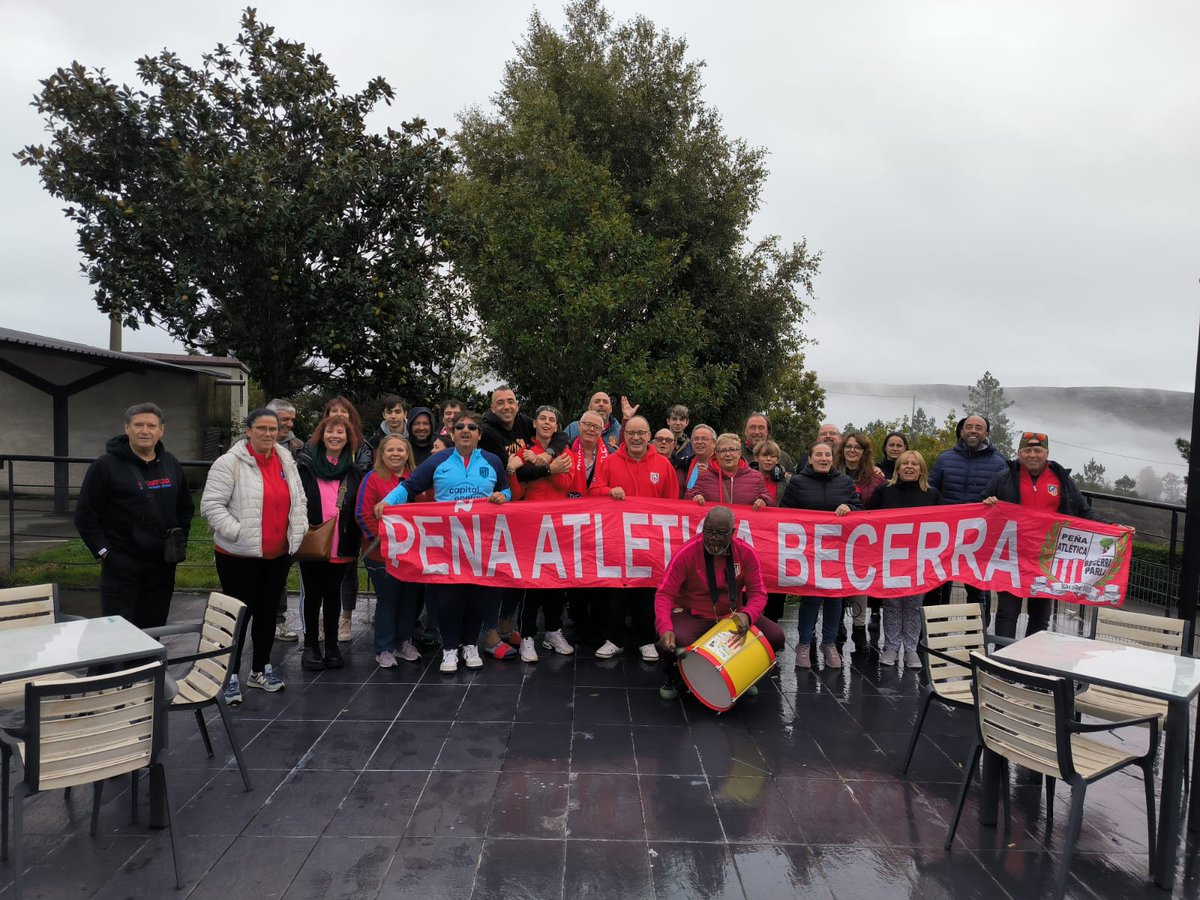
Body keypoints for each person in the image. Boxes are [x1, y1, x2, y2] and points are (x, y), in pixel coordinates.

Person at [376, 410, 511, 673]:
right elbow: (409, 487)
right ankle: (449, 648)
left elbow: (505, 488)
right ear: (451, 433)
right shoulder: (438, 461)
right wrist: (387, 502)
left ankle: (470, 645)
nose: (465, 431)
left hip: (480, 543)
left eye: (472, 427)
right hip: (445, 544)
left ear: (479, 435)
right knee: (447, 596)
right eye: (460, 426)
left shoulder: (492, 461)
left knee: (477, 595)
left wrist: (503, 496)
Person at [201, 408, 308, 705]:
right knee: (238, 616)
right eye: (261, 428)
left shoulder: (286, 461)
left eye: (273, 429)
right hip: (239, 555)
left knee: (266, 615)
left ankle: (260, 670)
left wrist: (297, 530)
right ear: (248, 430)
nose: (268, 434)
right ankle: (230, 675)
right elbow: (211, 505)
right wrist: (238, 532)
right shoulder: (229, 463)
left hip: (277, 554)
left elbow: (299, 499)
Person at [980, 432, 1112, 639]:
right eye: (1027, 450)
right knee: (1007, 613)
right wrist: (987, 502)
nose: (1032, 455)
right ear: (1019, 453)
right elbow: (980, 506)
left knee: (1040, 616)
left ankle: (1032, 659)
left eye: (1037, 450)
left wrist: (1113, 528)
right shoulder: (1003, 478)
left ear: (1047, 453)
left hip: (1047, 560)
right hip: (1010, 558)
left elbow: (1084, 511)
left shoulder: (1062, 480)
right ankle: (1002, 659)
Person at [74, 402, 194, 628]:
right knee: (118, 632)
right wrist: (105, 552)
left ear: (161, 430)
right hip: (121, 567)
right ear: (127, 428)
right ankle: (117, 666)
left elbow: (185, 508)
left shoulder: (171, 463)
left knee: (153, 628)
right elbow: (85, 515)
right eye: (138, 425)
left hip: (162, 565)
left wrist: (179, 541)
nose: (145, 430)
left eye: (151, 425)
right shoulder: (105, 466)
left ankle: (149, 665)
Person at [655, 506, 786, 701]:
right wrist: (664, 628)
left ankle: (744, 676)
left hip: (733, 615)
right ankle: (675, 676)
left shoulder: (746, 552)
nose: (713, 538)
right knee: (676, 639)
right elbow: (664, 594)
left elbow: (758, 593)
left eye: (720, 533)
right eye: (708, 531)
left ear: (732, 532)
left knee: (775, 637)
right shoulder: (687, 552)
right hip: (694, 614)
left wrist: (748, 615)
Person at [589, 415, 678, 662]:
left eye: (641, 433)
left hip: (651, 543)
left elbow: (673, 505)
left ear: (649, 436)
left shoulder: (663, 465)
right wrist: (609, 491)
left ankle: (646, 640)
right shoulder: (610, 462)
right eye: (631, 433)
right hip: (617, 540)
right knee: (616, 592)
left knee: (647, 592)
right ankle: (615, 640)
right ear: (624, 436)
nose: (636, 437)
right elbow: (594, 491)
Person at [780, 442, 862, 670]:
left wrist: (849, 507)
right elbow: (784, 513)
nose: (824, 458)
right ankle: (804, 643)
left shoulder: (845, 482)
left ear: (833, 459)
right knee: (811, 598)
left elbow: (859, 509)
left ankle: (829, 643)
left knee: (835, 597)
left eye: (828, 454)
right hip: (808, 552)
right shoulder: (797, 482)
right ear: (811, 459)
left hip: (836, 551)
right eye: (819, 454)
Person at [296, 415, 364, 671]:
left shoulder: (354, 470)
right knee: (312, 595)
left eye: (341, 432)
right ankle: (311, 644)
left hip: (341, 542)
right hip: (312, 541)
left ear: (348, 438)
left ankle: (332, 644)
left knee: (333, 595)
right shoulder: (305, 466)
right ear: (321, 435)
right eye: (330, 431)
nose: (335, 436)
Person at [509, 405, 576, 662]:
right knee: (531, 585)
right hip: (531, 527)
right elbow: (517, 492)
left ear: (557, 426)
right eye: (543, 419)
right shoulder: (523, 450)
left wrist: (545, 462)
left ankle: (552, 630)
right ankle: (527, 635)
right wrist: (523, 468)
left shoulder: (564, 451)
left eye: (552, 419)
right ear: (535, 423)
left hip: (557, 527)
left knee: (556, 583)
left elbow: (566, 483)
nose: (547, 423)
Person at [866, 451, 942, 666]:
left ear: (921, 469)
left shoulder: (932, 494)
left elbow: (945, 524)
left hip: (919, 560)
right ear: (898, 468)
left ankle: (910, 648)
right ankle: (890, 647)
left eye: (915, 464)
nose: (910, 467)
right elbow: (867, 518)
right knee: (891, 604)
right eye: (905, 463)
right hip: (890, 558)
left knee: (913, 604)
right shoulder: (884, 491)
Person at [928, 415, 1007, 616]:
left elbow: (1006, 496)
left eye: (978, 427)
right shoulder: (945, 458)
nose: (973, 430)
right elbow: (929, 490)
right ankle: (936, 634)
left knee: (977, 588)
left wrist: (995, 503)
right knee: (939, 586)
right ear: (962, 431)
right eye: (969, 427)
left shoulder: (999, 463)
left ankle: (977, 636)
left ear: (986, 433)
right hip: (946, 534)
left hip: (979, 536)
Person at [356, 434, 422, 668]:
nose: (395, 454)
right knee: (388, 599)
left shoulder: (415, 479)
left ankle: (403, 641)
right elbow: (363, 514)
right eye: (390, 450)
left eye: (400, 450)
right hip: (381, 554)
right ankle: (384, 647)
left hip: (411, 554)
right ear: (381, 454)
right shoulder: (372, 479)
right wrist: (382, 541)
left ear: (407, 454)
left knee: (408, 599)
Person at [323, 396, 372, 642]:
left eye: (344, 411)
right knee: (319, 568)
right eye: (334, 411)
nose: (339, 415)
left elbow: (361, 474)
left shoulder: (362, 447)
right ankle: (322, 618)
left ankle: (346, 618)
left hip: (349, 513)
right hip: (322, 516)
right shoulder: (315, 448)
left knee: (348, 569)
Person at [834, 431, 887, 653]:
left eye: (857, 447)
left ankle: (859, 628)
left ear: (864, 451)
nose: (852, 450)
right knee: (835, 584)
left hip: (863, 542)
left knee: (859, 585)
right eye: (848, 447)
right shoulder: (832, 472)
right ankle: (836, 627)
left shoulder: (876, 479)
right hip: (835, 539)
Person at [266, 397, 304, 641]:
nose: (288, 424)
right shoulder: (242, 445)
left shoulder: (298, 446)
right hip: (255, 523)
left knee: (278, 577)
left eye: (291, 419)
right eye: (284, 419)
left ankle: (276, 621)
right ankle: (235, 625)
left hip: (287, 522)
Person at [686, 432, 773, 509]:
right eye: (723, 450)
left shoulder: (756, 477)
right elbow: (689, 496)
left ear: (740, 452)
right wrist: (695, 496)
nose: (728, 454)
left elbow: (770, 501)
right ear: (716, 453)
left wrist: (763, 501)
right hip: (716, 526)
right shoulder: (704, 476)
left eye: (732, 450)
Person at [679, 424, 717, 495]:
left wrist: (710, 476)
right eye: (696, 439)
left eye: (704, 439)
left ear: (714, 443)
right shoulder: (687, 463)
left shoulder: (723, 464)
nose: (699, 442)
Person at [666, 404, 692, 471]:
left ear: (687, 422)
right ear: (668, 421)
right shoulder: (657, 443)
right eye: (674, 419)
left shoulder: (693, 446)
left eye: (681, 419)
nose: (678, 423)